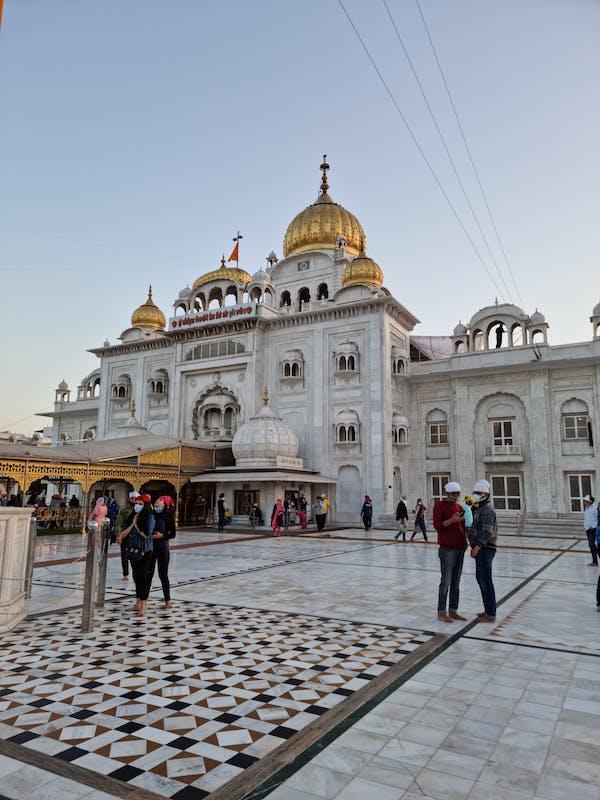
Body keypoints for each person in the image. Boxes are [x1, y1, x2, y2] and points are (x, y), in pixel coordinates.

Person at [432, 481, 468, 623]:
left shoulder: (459, 507)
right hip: (447, 549)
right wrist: (452, 520)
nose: (456, 496)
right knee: (445, 582)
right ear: (447, 494)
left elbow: (463, 527)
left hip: (460, 548)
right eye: (453, 494)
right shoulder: (440, 506)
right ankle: (441, 612)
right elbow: (437, 526)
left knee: (456, 582)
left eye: (458, 494)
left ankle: (453, 610)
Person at [117, 493, 154, 616]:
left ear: (146, 506)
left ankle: (143, 606)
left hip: (145, 550)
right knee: (136, 577)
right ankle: (137, 604)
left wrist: (137, 526)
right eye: (136, 504)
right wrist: (132, 524)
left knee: (142, 578)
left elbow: (146, 536)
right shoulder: (133, 516)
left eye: (140, 504)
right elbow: (125, 532)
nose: (137, 506)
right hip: (133, 549)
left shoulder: (150, 518)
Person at [468, 479, 497, 622]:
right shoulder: (479, 507)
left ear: (485, 494)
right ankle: (487, 610)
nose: (475, 495)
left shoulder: (487, 510)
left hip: (485, 548)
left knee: (486, 580)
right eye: (475, 493)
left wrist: (477, 547)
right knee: (481, 579)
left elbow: (487, 532)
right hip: (480, 549)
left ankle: (491, 614)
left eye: (478, 493)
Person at [148, 495, 176, 609]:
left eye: (160, 501)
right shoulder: (151, 515)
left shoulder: (168, 516)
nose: (157, 503)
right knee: (148, 574)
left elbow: (172, 534)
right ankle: (143, 599)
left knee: (163, 575)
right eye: (156, 501)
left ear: (165, 504)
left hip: (163, 548)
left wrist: (162, 535)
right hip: (151, 548)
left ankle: (167, 600)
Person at [583, 494, 598, 566]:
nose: (584, 502)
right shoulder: (586, 508)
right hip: (587, 529)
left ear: (589, 502)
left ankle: (595, 562)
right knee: (591, 545)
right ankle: (594, 561)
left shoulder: (595, 508)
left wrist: (593, 526)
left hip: (593, 529)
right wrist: (586, 527)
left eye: (585, 501)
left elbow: (597, 519)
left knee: (592, 545)